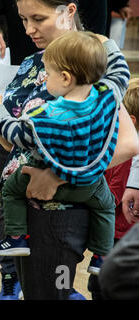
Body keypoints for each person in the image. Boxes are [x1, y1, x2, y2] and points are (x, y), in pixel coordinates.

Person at [0, 0, 138, 300]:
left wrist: (58, 176)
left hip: (59, 214)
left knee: (51, 292)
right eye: (22, 19)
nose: (29, 29)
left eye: (38, 18)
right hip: (24, 205)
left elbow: (127, 143)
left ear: (68, 11)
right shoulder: (34, 63)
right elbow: (12, 142)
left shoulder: (90, 61)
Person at [0, 31, 122, 278]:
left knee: (11, 189)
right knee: (107, 205)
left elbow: (17, 134)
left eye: (48, 75)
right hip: (90, 184)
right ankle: (102, 256)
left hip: (53, 184)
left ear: (65, 78)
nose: (45, 82)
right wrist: (107, 43)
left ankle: (15, 238)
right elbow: (120, 72)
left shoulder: (48, 116)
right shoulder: (107, 95)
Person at [87, 78, 139, 299]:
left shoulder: (124, 154)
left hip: (116, 234)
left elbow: (113, 193)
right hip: (122, 234)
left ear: (131, 121)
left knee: (99, 284)